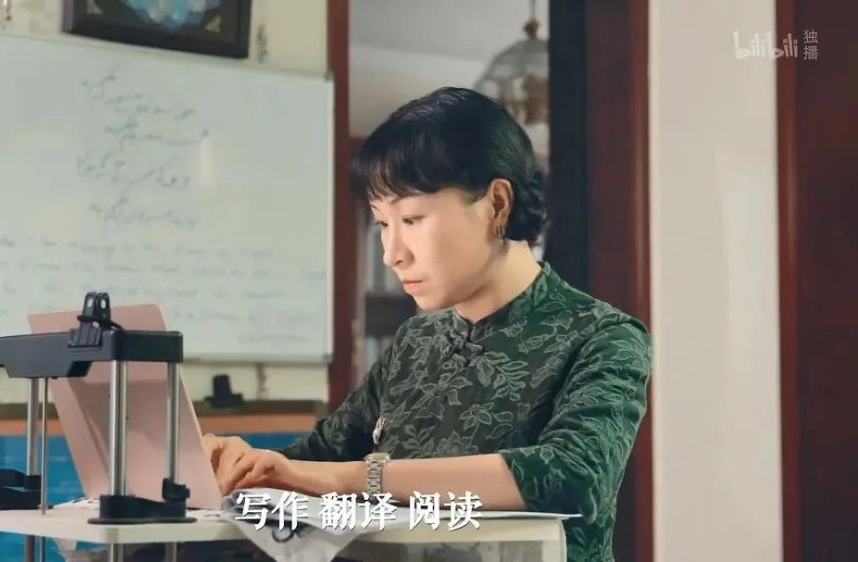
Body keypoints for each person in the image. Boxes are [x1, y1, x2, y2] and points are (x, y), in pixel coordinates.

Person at [204, 87, 651, 562]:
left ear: (497, 204)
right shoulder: (416, 342)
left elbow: (571, 476)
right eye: (383, 224)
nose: (392, 254)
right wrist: (239, 463)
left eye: (413, 219)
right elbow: (316, 457)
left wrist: (353, 478)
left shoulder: (602, 336)